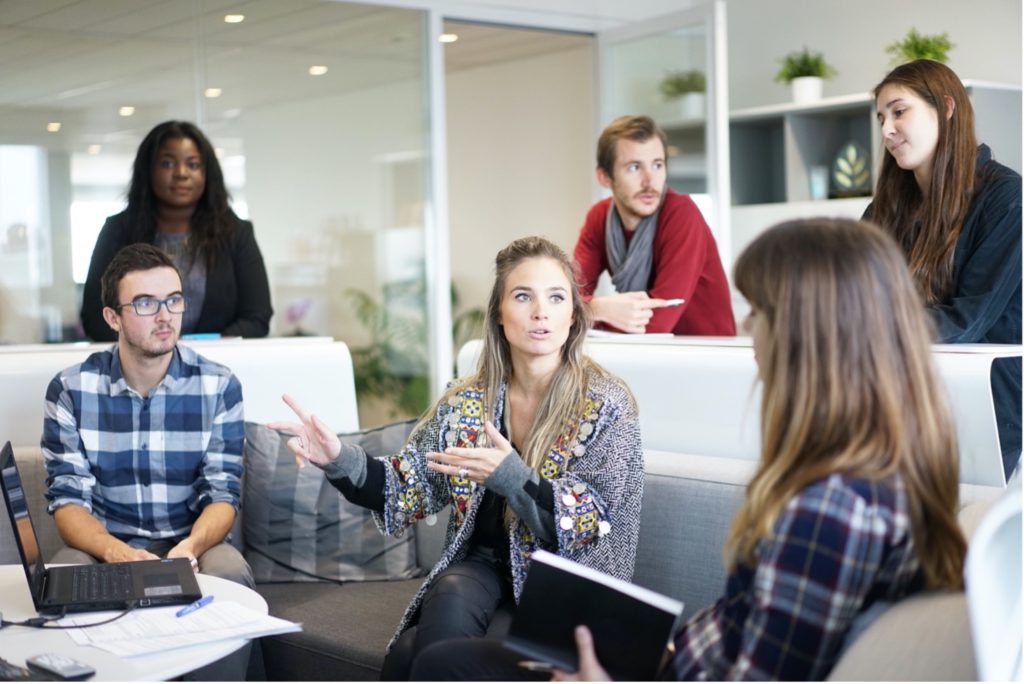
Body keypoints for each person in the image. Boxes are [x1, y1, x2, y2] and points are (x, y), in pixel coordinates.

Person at [421, 219, 967, 681]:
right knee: (435, 656)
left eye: (759, 311)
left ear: (812, 334)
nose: (748, 328)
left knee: (439, 663)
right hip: (670, 660)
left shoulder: (830, 511)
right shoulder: (876, 474)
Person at [271, 236, 644, 680]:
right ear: (500, 316)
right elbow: (403, 487)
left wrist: (510, 476)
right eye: (523, 296)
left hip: (564, 589)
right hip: (483, 570)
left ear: (572, 316)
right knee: (449, 592)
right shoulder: (468, 401)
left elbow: (588, 522)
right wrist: (337, 457)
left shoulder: (606, 404)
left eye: (556, 297)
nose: (540, 311)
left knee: (413, 653)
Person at [43, 244, 252, 589]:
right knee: (62, 574)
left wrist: (190, 548)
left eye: (174, 300)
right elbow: (67, 501)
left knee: (229, 572)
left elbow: (223, 494)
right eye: (145, 303)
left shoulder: (219, 386)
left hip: (192, 543)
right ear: (113, 318)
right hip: (105, 544)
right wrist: (116, 552)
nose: (165, 316)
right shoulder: (70, 389)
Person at [865, 59, 1022, 479]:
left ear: (947, 108)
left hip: (985, 410)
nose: (886, 130)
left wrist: (867, 326)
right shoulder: (883, 210)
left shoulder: (1006, 196)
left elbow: (968, 320)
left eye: (900, 111)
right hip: (899, 401)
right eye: (881, 117)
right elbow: (853, 297)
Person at [80, 120, 273, 341]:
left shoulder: (236, 234)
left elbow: (257, 317)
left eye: (193, 164)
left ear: (207, 173)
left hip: (217, 366)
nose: (181, 173)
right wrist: (151, 349)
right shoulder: (117, 231)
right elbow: (95, 319)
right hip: (138, 369)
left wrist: (203, 354)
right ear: (148, 170)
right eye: (167, 164)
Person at [572, 115, 735, 335]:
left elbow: (657, 323)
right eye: (634, 168)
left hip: (706, 357)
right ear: (604, 177)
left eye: (657, 165)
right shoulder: (599, 217)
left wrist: (587, 312)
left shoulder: (681, 213)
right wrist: (597, 308)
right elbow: (565, 299)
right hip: (646, 354)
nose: (650, 181)